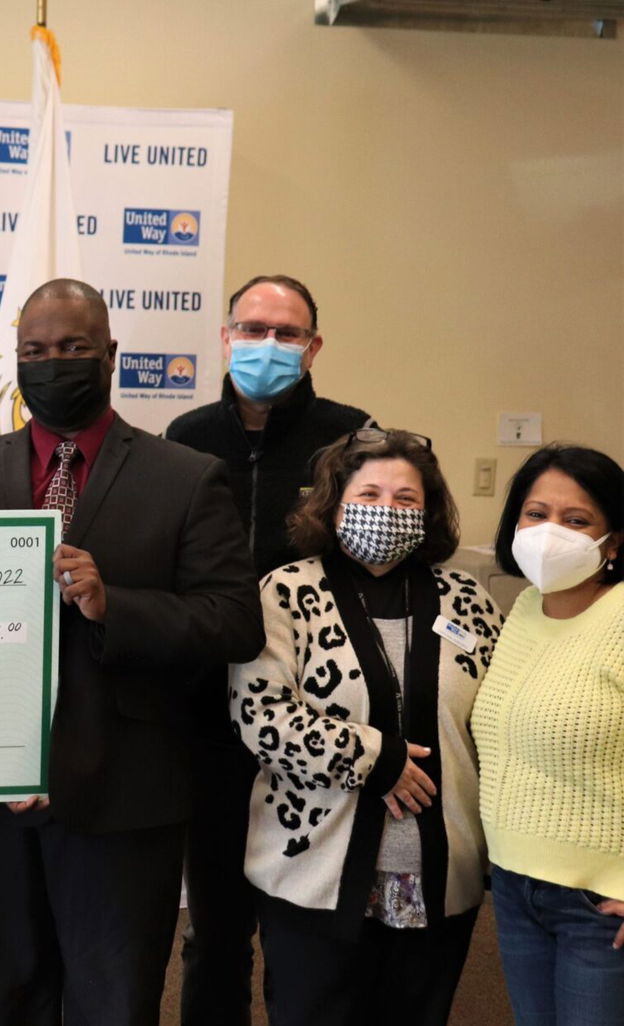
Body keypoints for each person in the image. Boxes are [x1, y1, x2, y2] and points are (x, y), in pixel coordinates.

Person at [0, 278, 262, 1026]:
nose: (54, 363)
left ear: (109, 353)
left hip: (126, 798)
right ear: (16, 360)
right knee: (4, 1000)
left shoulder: (186, 476)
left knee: (116, 1005)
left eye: (73, 348)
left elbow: (235, 623)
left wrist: (117, 608)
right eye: (35, 351)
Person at [231, 428, 501, 1026]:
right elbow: (260, 715)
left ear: (428, 512)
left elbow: (499, 723)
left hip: (439, 873)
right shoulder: (286, 590)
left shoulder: (469, 600)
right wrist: (373, 760)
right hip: (314, 872)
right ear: (333, 502)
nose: (387, 511)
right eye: (370, 493)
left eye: (406, 499)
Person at [164, 273, 371, 1025]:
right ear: (225, 338)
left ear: (313, 347)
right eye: (252, 330)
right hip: (207, 719)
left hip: (312, 717)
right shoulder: (186, 438)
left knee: (304, 928)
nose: (268, 346)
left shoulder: (355, 439)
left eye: (287, 334)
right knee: (215, 926)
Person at [471, 445, 624, 1025]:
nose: (549, 532)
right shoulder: (526, 609)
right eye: (536, 514)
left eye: (576, 519)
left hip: (599, 902)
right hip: (513, 885)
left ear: (613, 542)